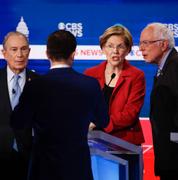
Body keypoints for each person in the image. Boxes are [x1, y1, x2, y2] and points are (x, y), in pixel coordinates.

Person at [10, 29, 109, 180]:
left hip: (43, 170)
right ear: (73, 54)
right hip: (77, 168)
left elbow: (18, 121)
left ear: (47, 54)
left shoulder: (35, 86)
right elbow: (103, 120)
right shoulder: (90, 84)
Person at [84, 25, 145, 145]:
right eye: (110, 46)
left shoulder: (136, 76)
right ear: (103, 48)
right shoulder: (90, 74)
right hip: (93, 140)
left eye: (120, 46)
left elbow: (130, 113)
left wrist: (101, 122)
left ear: (128, 49)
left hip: (125, 141)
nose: (115, 51)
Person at [139, 22, 178, 180]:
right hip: (170, 156)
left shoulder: (177, 65)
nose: (141, 48)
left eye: (146, 43)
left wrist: (176, 139)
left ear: (163, 44)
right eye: (140, 43)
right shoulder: (166, 67)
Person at [0, 31, 39, 180]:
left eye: (23, 49)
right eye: (14, 49)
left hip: (31, 160)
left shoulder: (40, 83)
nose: (20, 54)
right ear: (4, 53)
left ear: (29, 52)